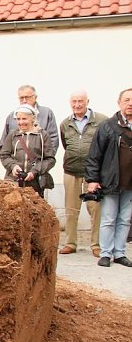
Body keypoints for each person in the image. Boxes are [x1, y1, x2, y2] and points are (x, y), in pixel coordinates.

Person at [84, 88, 132, 268]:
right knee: (109, 218)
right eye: (126, 100)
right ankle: (106, 253)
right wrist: (92, 179)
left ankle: (119, 253)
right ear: (119, 102)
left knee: (125, 219)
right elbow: (95, 154)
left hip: (130, 183)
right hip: (111, 180)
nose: (130, 104)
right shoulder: (108, 126)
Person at [59, 91, 107, 257]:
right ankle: (70, 243)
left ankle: (97, 245)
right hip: (71, 171)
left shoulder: (101, 120)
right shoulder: (65, 123)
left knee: (95, 208)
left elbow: (105, 145)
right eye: (74, 101)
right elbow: (66, 144)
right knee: (71, 208)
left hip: (93, 174)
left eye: (80, 101)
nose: (77, 104)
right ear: (70, 103)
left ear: (87, 101)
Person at [0, 105, 56, 198]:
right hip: (13, 181)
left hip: (35, 183)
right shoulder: (12, 135)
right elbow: (4, 155)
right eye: (18, 119)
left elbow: (50, 159)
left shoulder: (42, 135)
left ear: (32, 118)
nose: (21, 122)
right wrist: (13, 166)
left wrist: (34, 171)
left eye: (24, 118)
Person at [0, 84, 59, 154]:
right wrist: (10, 163)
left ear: (35, 97)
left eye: (27, 97)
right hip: (16, 163)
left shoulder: (47, 113)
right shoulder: (11, 116)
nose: (24, 101)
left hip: (40, 161)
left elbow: (53, 139)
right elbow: (3, 143)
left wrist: (47, 161)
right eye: (21, 98)